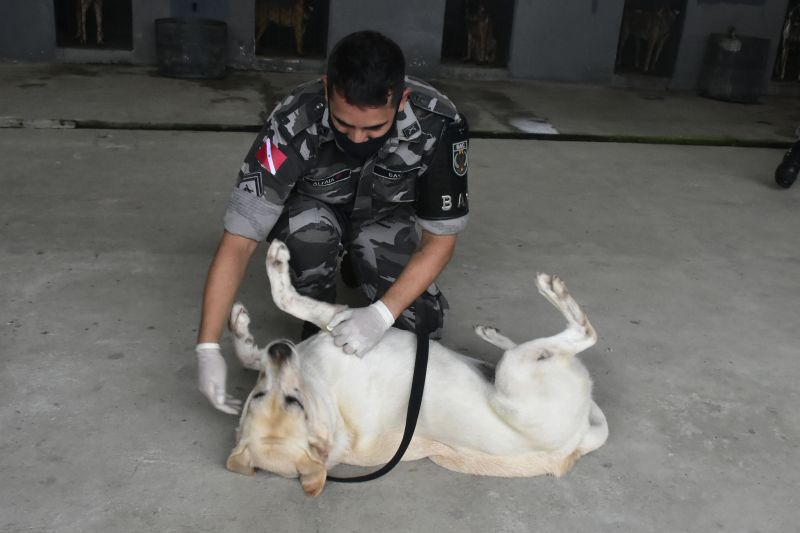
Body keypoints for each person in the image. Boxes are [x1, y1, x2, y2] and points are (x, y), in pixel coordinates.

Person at [196, 30, 470, 414]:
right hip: (316, 212)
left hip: (383, 217)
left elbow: (440, 240)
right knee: (309, 233)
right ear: (327, 89)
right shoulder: (293, 120)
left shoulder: (439, 122)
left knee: (418, 329)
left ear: (401, 99)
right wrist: (207, 347)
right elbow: (239, 240)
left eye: (374, 128)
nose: (358, 137)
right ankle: (314, 322)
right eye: (344, 124)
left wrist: (381, 314)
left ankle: (359, 263)